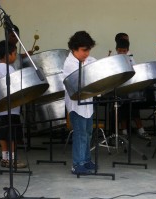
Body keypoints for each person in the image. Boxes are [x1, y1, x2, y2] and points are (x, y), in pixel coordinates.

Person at [63, 31, 96, 175]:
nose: (87, 53)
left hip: (88, 104)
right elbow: (81, 81)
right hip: (77, 106)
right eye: (84, 50)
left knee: (88, 132)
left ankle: (86, 160)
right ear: (74, 49)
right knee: (80, 134)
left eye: (88, 50)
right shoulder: (69, 63)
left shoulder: (89, 60)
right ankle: (77, 164)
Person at [0, 40, 27, 168]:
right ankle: (12, 159)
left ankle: (4, 158)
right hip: (11, 108)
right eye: (14, 53)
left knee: (4, 134)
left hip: (4, 109)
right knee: (13, 135)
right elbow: (14, 85)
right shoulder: (7, 68)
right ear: (8, 54)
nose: (15, 56)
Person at [115, 38, 150, 140]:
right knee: (122, 110)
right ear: (116, 49)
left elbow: (135, 70)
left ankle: (141, 130)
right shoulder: (114, 58)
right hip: (119, 88)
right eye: (120, 50)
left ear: (127, 50)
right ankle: (124, 132)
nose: (122, 52)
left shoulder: (130, 58)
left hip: (130, 88)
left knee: (134, 109)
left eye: (124, 51)